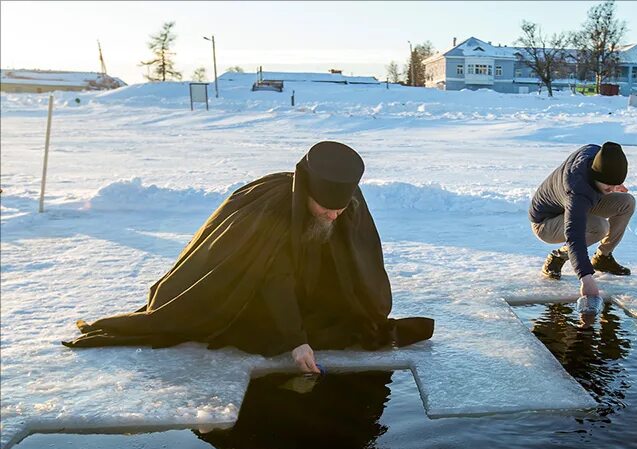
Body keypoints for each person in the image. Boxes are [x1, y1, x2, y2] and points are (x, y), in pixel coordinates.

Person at [63, 141, 434, 372]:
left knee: (351, 330)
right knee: (260, 334)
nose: (334, 216)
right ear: (306, 190)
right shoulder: (271, 211)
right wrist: (294, 339)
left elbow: (360, 259)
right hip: (249, 292)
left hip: (309, 291)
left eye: (340, 209)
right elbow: (275, 278)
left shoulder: (345, 201)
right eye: (324, 208)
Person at [528, 142, 636, 297]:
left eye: (614, 185)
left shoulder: (596, 155)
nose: (612, 191)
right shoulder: (576, 191)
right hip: (545, 223)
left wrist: (613, 183)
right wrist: (586, 277)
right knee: (599, 227)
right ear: (597, 176)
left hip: (574, 204)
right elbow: (575, 235)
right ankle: (557, 257)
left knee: (627, 202)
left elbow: (606, 168)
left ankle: (602, 258)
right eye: (608, 188)